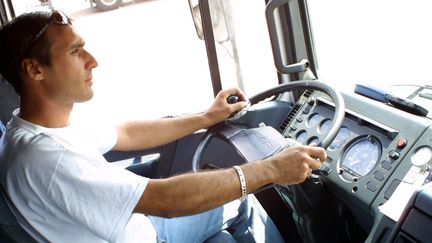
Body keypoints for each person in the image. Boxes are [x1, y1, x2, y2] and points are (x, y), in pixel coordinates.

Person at [0, 10, 326, 242]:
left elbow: (126, 133)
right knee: (240, 201)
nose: (92, 60)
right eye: (75, 51)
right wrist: (269, 170)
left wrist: (205, 117)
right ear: (35, 70)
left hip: (139, 229)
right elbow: (166, 202)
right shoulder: (48, 158)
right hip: (151, 234)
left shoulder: (46, 124)